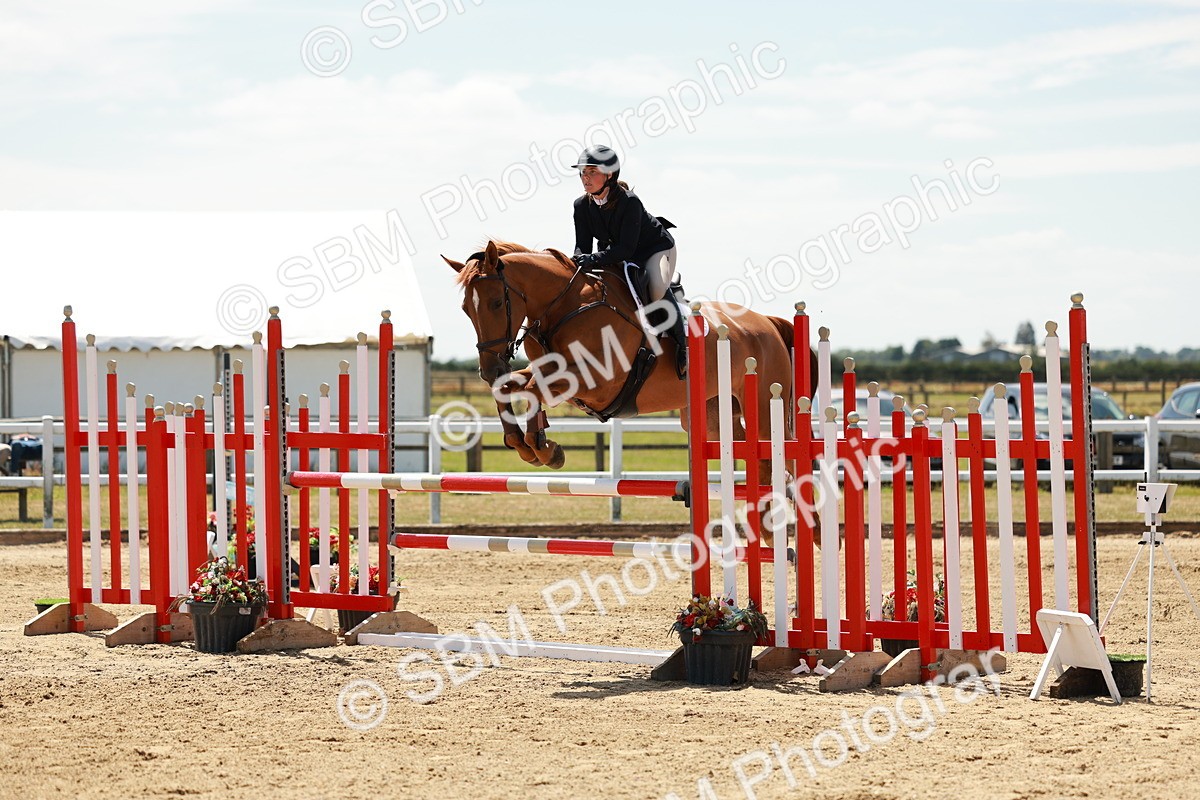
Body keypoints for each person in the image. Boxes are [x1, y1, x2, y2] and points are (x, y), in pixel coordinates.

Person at [570, 145, 687, 377]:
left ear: (610, 174)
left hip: (654, 250)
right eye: (583, 172)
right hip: (616, 252)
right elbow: (582, 245)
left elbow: (625, 249)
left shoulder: (629, 202)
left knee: (654, 286)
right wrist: (577, 261)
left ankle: (683, 345)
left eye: (592, 172)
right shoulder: (581, 205)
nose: (585, 178)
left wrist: (593, 258)